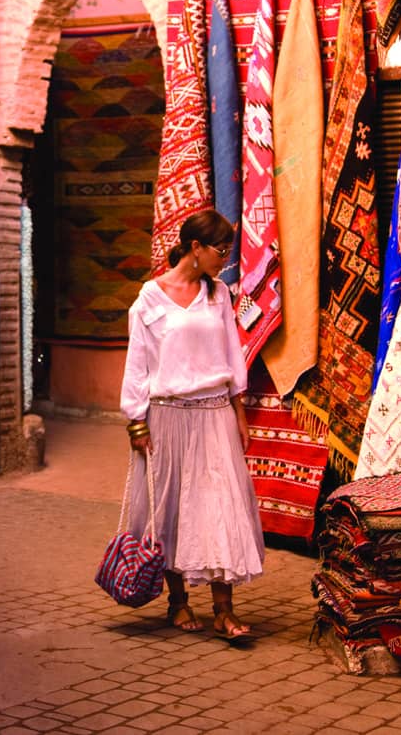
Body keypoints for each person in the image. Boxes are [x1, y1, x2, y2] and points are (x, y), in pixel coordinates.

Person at [119, 208, 265, 639]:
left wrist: (240, 412)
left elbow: (233, 355)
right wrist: (136, 421)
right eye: (220, 250)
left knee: (221, 506)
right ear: (195, 247)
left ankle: (224, 610)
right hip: (166, 415)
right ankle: (177, 603)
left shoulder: (219, 295)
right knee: (172, 510)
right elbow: (137, 364)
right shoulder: (148, 298)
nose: (226, 258)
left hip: (214, 413)